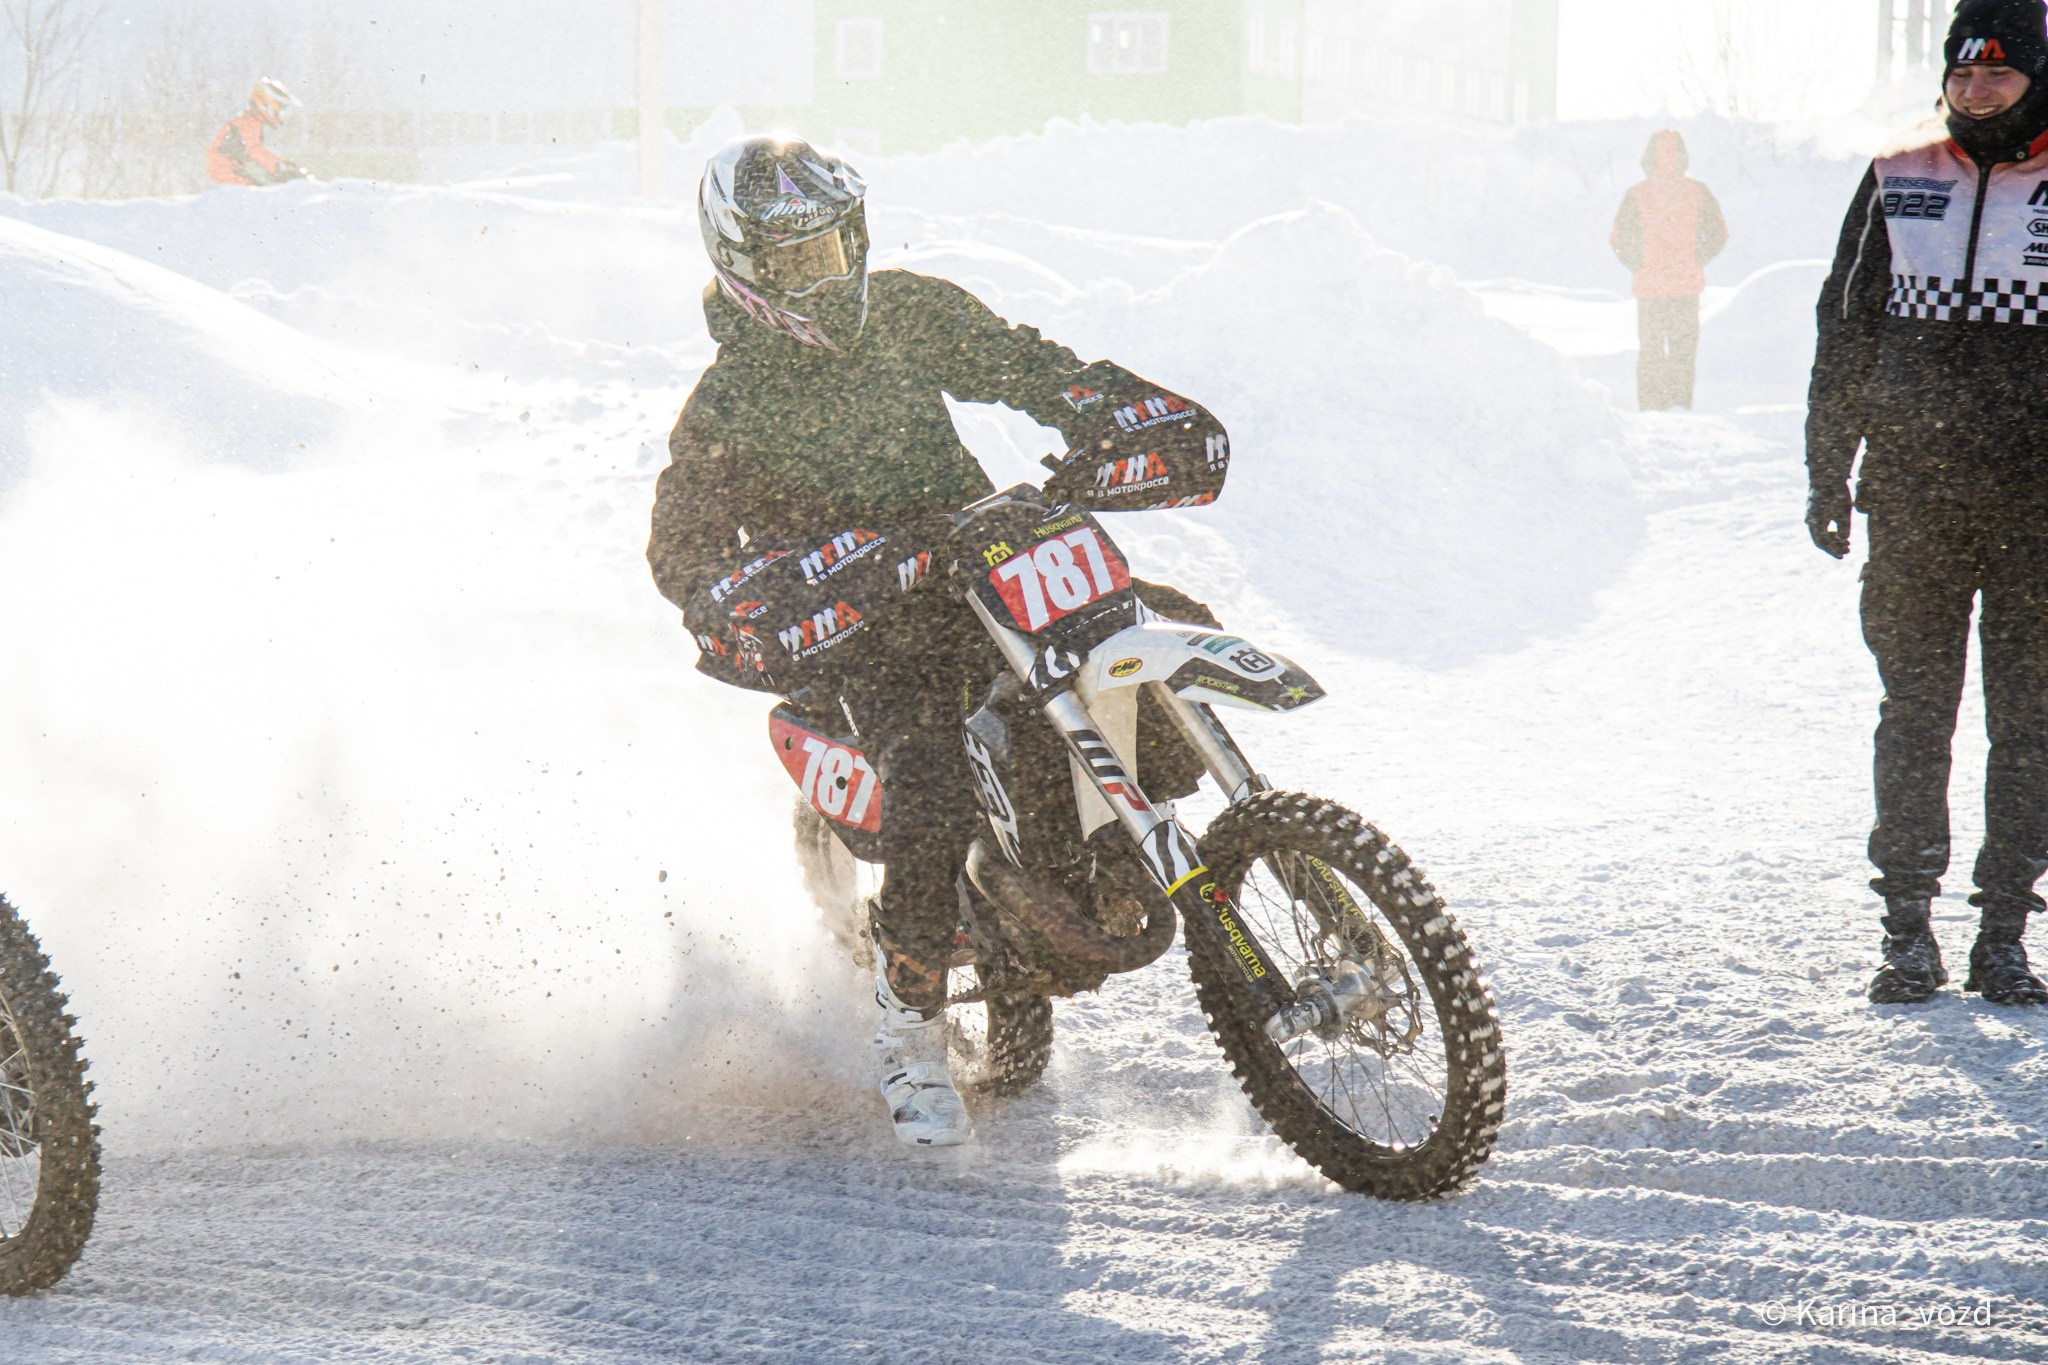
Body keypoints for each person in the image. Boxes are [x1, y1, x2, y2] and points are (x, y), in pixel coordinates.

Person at [645, 136, 1229, 1146]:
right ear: (743, 273)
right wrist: (753, 591)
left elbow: (1029, 367)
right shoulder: (725, 406)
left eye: (835, 248)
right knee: (928, 775)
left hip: (981, 557)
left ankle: (1170, 839)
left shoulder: (909, 313)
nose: (824, 277)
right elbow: (680, 551)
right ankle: (907, 1021)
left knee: (1163, 628)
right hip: (866, 619)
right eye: (796, 264)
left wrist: (1116, 413)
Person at [1806, 0, 2048, 1008]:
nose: (1977, 88)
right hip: (1913, 500)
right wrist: (1828, 471)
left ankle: (2002, 931)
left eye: (1998, 73)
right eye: (1962, 73)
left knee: (2027, 720)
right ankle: (1904, 927)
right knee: (1911, 714)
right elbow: (1845, 328)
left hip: (2034, 509)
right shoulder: (1896, 172)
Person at [1610, 130, 1729, 411]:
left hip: (1649, 287)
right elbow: (1719, 233)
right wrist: (1694, 259)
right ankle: (1679, 407)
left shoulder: (1636, 194)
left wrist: (1639, 264)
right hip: (1685, 286)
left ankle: (1651, 407)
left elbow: (1618, 239)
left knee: (1651, 352)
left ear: (1648, 157)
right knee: (1682, 353)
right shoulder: (1698, 192)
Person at [206, 78, 309, 187]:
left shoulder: (252, 119)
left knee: (259, 192)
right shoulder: (249, 121)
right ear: (266, 104)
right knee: (256, 197)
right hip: (225, 169)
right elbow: (255, 150)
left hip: (226, 168)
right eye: (279, 111)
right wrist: (279, 166)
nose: (280, 116)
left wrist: (280, 163)